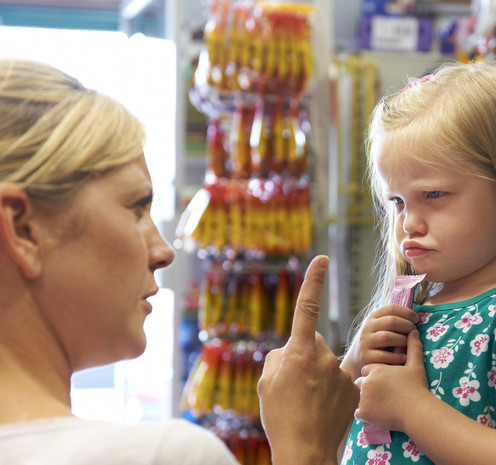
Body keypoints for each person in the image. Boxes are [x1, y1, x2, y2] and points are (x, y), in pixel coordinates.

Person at [0, 58, 357, 465]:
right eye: (136, 207)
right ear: (23, 229)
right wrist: (306, 446)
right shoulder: (163, 456)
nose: (164, 252)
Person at [339, 60, 496, 465]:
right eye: (398, 202)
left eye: (434, 195)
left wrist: (412, 409)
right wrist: (355, 360)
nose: (409, 223)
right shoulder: (411, 308)